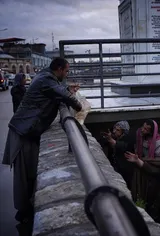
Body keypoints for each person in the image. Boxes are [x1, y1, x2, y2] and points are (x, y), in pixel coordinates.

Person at [2, 58, 82, 231]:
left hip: (27, 130)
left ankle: (26, 211)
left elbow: (59, 91)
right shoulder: (46, 79)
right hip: (23, 131)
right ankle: (23, 215)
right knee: (23, 176)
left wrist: (68, 90)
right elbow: (63, 95)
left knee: (30, 173)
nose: (67, 74)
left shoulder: (47, 77)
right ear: (59, 69)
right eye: (66, 71)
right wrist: (79, 104)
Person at [124, 119, 160, 218]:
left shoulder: (158, 142)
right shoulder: (139, 135)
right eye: (143, 127)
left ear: (151, 132)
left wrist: (144, 161)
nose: (143, 130)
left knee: (150, 197)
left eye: (146, 129)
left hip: (152, 173)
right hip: (141, 170)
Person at [101, 121, 135, 188]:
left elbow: (120, 145)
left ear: (123, 132)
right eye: (114, 129)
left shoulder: (128, 139)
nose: (114, 131)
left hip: (125, 170)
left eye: (117, 130)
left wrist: (110, 139)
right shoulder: (116, 137)